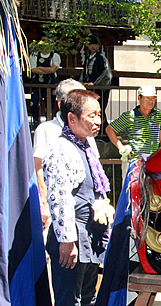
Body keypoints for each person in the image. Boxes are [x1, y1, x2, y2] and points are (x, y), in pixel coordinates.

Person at [43, 89, 112, 306]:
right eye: (91, 115)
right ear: (72, 118)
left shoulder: (86, 145)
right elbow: (59, 198)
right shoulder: (60, 149)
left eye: (99, 114)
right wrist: (66, 241)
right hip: (71, 238)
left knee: (86, 303)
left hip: (90, 236)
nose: (98, 121)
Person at [33, 79, 100, 229]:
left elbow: (95, 168)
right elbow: (38, 169)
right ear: (61, 103)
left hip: (90, 213)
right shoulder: (46, 130)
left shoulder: (87, 131)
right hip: (61, 209)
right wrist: (44, 203)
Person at [105, 85, 161, 178]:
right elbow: (109, 129)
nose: (151, 101)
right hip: (134, 162)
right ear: (139, 98)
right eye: (147, 98)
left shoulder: (158, 115)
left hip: (153, 161)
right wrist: (120, 147)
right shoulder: (129, 116)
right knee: (132, 190)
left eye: (153, 98)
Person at [79, 33, 112, 131]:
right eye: (91, 44)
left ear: (98, 45)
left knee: (99, 109)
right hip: (90, 89)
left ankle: (104, 131)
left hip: (100, 89)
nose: (93, 46)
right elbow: (84, 73)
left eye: (95, 44)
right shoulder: (88, 58)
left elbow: (107, 75)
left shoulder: (101, 58)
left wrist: (95, 84)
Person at [29, 30, 60, 128]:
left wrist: (41, 68)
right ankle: (36, 122)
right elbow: (33, 69)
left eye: (47, 41)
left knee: (49, 104)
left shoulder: (55, 56)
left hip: (50, 84)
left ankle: (49, 123)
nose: (45, 43)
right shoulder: (34, 55)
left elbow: (53, 69)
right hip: (36, 83)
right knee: (34, 103)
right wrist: (47, 70)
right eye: (43, 40)